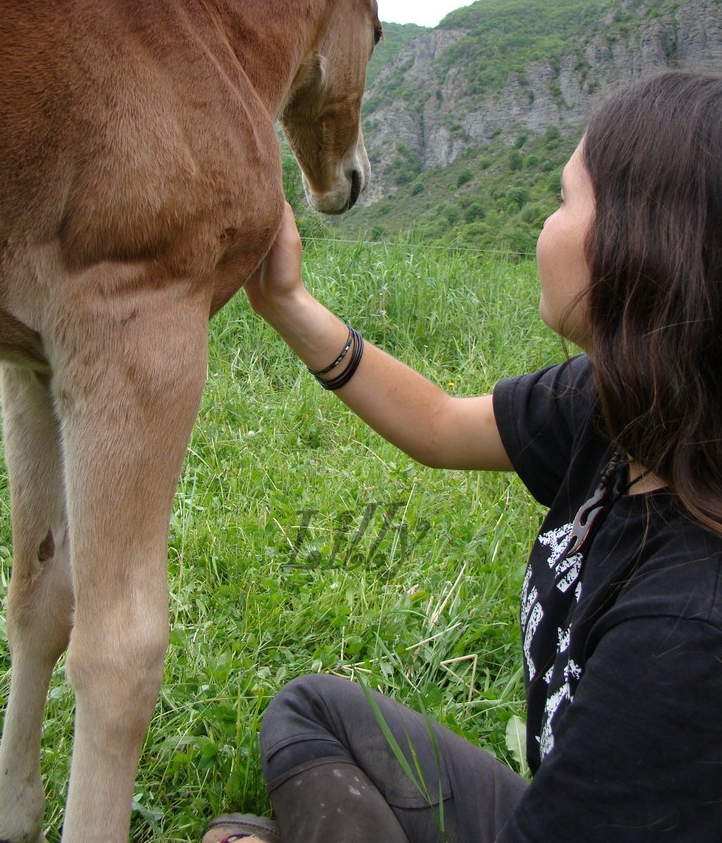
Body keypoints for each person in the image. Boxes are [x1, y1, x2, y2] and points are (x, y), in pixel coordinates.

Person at [203, 71, 722, 843]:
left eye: (565, 197)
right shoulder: (635, 409)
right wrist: (287, 303)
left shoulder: (683, 636)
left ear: (643, 242)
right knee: (311, 708)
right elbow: (442, 426)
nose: (547, 222)